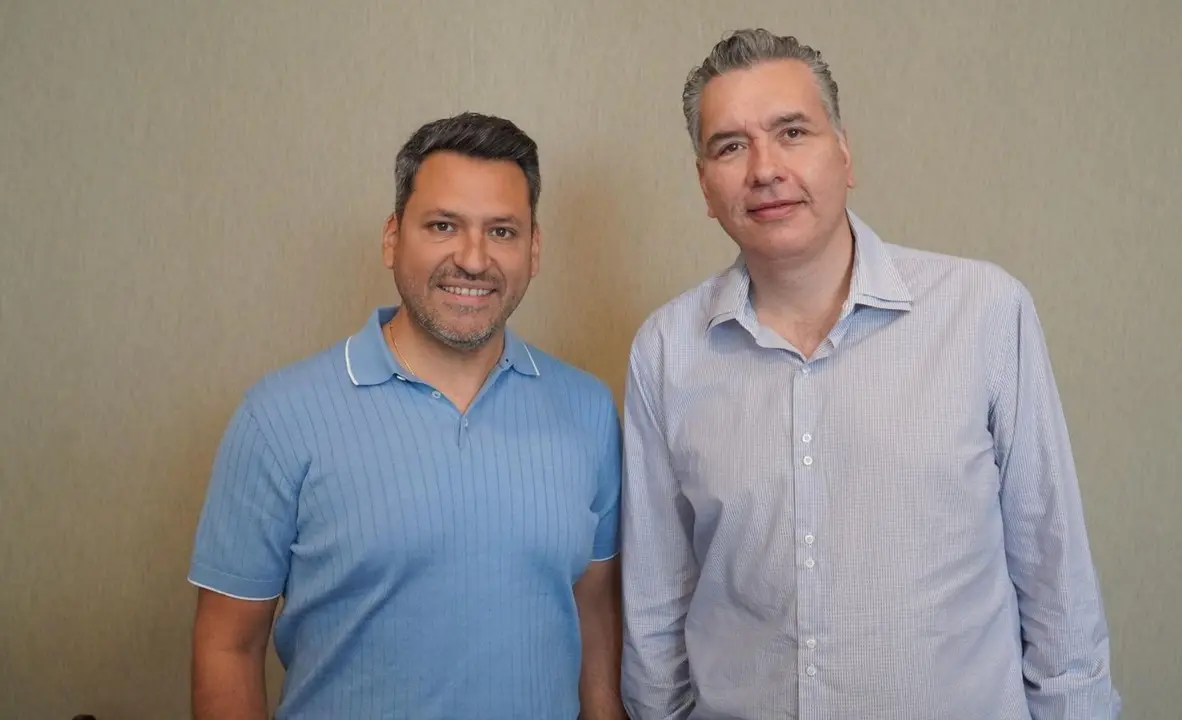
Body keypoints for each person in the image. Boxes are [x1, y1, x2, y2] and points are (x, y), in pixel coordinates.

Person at [619, 29, 1120, 719]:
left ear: (845, 153)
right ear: (705, 184)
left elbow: (1054, 573)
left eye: (792, 132)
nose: (765, 168)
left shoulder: (983, 313)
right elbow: (656, 603)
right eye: (730, 146)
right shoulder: (666, 350)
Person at [188, 112, 625, 719]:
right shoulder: (278, 418)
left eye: (502, 231)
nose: (473, 260)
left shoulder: (589, 410)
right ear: (392, 236)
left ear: (535, 247)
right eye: (443, 225)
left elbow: (593, 612)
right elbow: (227, 646)